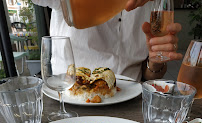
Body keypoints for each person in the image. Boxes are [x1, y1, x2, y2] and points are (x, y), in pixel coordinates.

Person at [32, 0, 182, 81]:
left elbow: (150, 75)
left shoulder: (155, 6)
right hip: (69, 96)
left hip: (130, 99)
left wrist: (155, 62)